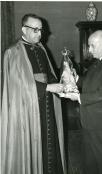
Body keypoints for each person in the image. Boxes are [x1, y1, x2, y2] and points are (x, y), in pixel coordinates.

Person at [1, 14, 67, 174]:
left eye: (41, 30)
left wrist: (61, 83)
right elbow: (18, 84)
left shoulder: (42, 49)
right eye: (35, 29)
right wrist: (47, 88)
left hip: (46, 106)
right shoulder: (13, 52)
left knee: (48, 144)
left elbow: (49, 73)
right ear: (24, 29)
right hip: (27, 109)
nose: (39, 34)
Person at [61, 30, 102, 174]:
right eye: (89, 46)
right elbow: (89, 82)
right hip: (91, 121)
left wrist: (78, 97)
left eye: (92, 45)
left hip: (101, 123)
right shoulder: (100, 61)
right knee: (90, 160)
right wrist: (75, 79)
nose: (89, 50)